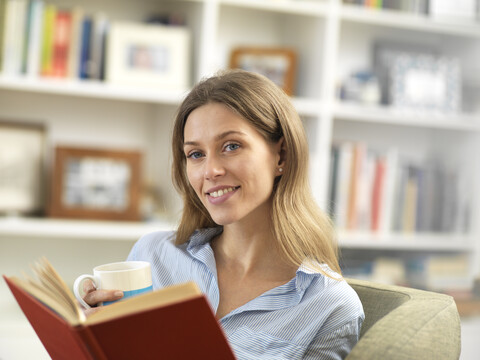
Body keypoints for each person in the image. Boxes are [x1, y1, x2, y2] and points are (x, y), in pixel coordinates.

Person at [82, 69, 364, 359]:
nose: (210, 171)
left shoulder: (331, 307)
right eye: (196, 154)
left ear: (282, 155)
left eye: (231, 146)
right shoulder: (152, 256)